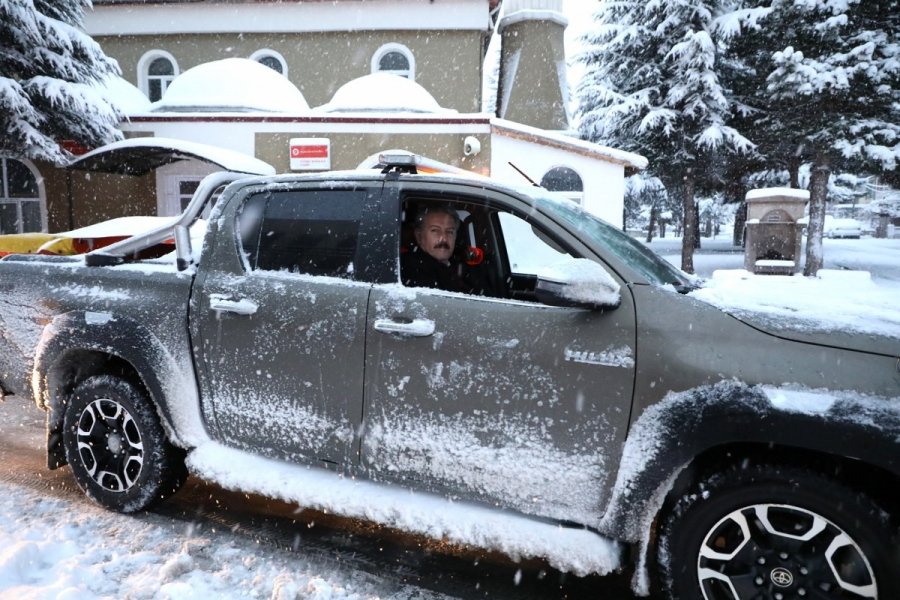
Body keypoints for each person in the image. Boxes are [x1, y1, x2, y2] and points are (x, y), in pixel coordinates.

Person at [401, 205, 484, 294]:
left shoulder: (462, 266)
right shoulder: (409, 271)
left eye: (449, 232)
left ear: (456, 236)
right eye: (435, 230)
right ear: (419, 236)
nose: (443, 238)